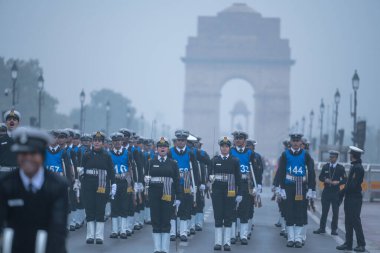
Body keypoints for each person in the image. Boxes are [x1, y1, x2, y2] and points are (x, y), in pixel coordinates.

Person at [0, 127, 68, 253]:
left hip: (48, 246)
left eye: (32, 154)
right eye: (23, 154)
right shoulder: (6, 184)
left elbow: (58, 228)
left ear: (42, 155)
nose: (27, 159)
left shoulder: (58, 185)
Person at [277, 133, 316, 248]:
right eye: (293, 141)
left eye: (297, 141)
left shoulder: (306, 155)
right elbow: (281, 172)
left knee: (299, 211)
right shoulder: (285, 155)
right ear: (290, 142)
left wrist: (311, 189)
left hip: (301, 185)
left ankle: (298, 238)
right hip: (288, 186)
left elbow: (311, 172)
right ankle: (291, 238)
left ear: (300, 142)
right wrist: (281, 188)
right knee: (289, 211)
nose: (295, 143)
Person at [146, 137, 180, 253]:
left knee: (166, 219)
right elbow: (145, 178)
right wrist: (145, 180)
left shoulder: (173, 163)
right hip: (154, 193)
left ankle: (165, 249)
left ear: (167, 149)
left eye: (164, 146)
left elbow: (176, 181)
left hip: (168, 193)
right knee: (156, 219)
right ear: (156, 149)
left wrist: (178, 197)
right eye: (160, 146)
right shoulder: (151, 162)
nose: (162, 148)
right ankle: (157, 248)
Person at [82, 131, 116, 244]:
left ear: (102, 143)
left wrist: (113, 185)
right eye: (95, 141)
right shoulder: (87, 155)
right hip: (88, 185)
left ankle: (99, 235)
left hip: (102, 185)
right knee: (89, 209)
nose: (97, 143)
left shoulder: (107, 155)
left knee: (100, 210)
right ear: (92, 142)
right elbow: (82, 170)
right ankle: (90, 235)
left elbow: (111, 171)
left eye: (99, 141)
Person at [230, 131, 262, 245]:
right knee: (232, 211)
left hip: (246, 184)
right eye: (236, 138)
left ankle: (243, 235)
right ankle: (233, 235)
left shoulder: (250, 153)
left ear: (245, 140)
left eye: (240, 138)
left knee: (245, 209)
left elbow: (256, 171)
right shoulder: (230, 151)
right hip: (232, 184)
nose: (238, 140)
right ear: (233, 140)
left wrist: (257, 185)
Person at [209, 136, 242, 251]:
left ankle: (227, 242)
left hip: (230, 191)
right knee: (218, 216)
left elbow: (239, 178)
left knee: (228, 216)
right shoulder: (214, 160)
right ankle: (218, 242)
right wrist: (210, 178)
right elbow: (208, 175)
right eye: (222, 146)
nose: (224, 148)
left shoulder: (235, 161)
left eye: (226, 146)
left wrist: (240, 194)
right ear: (220, 147)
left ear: (229, 148)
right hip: (217, 191)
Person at [167, 129, 200, 242]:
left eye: (183, 140)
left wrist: (195, 185)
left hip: (186, 183)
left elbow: (195, 170)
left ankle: (183, 232)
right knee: (172, 208)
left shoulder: (190, 153)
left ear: (186, 141)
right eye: (179, 140)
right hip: (172, 183)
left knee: (185, 208)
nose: (181, 142)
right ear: (176, 141)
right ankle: (172, 232)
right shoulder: (170, 152)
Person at [336, 146, 366, 252]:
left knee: (355, 221)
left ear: (353, 155)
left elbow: (353, 185)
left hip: (354, 198)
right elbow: (350, 184)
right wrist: (343, 192)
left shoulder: (358, 168)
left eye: (350, 154)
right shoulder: (354, 166)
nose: (349, 156)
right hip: (350, 198)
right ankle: (348, 243)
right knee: (348, 221)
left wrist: (342, 192)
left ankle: (361, 244)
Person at [314, 150, 346, 235]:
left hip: (336, 192)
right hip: (326, 191)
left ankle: (334, 229)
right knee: (324, 211)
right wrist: (325, 180)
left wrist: (338, 182)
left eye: (333, 157)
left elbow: (345, 179)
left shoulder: (340, 168)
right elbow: (320, 177)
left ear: (336, 158)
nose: (331, 159)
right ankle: (322, 228)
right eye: (330, 157)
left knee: (335, 212)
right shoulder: (326, 166)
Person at [108, 132, 131, 239]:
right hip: (114, 182)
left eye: (119, 141)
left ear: (122, 142)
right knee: (114, 205)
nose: (117, 143)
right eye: (115, 141)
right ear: (112, 142)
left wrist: (127, 176)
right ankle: (114, 230)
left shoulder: (128, 153)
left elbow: (131, 168)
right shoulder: (108, 154)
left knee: (124, 205)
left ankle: (123, 230)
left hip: (124, 182)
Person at [0, 110, 20, 177]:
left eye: (14, 119)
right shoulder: (1, 139)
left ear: (18, 122)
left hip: (18, 173)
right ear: (5, 122)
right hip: (3, 173)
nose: (12, 121)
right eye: (9, 119)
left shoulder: (23, 140)